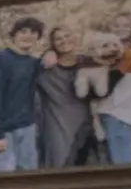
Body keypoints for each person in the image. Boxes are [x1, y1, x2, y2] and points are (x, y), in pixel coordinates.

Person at [0, 17, 44, 172]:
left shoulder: (34, 63)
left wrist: (50, 54)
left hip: (27, 130)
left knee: (28, 184)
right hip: (3, 132)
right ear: (13, 35)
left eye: (34, 32)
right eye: (23, 31)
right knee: (1, 184)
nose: (28, 35)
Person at [94, 12, 131, 164]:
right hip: (117, 111)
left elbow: (109, 83)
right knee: (117, 157)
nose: (120, 29)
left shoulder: (130, 53)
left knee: (120, 159)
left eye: (126, 25)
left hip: (119, 113)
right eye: (116, 25)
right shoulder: (116, 52)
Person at [36, 24, 91, 167]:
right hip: (57, 125)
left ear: (75, 38)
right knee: (58, 166)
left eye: (67, 36)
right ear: (53, 44)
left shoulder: (87, 62)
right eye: (58, 39)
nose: (64, 41)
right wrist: (47, 53)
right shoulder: (46, 67)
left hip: (84, 125)